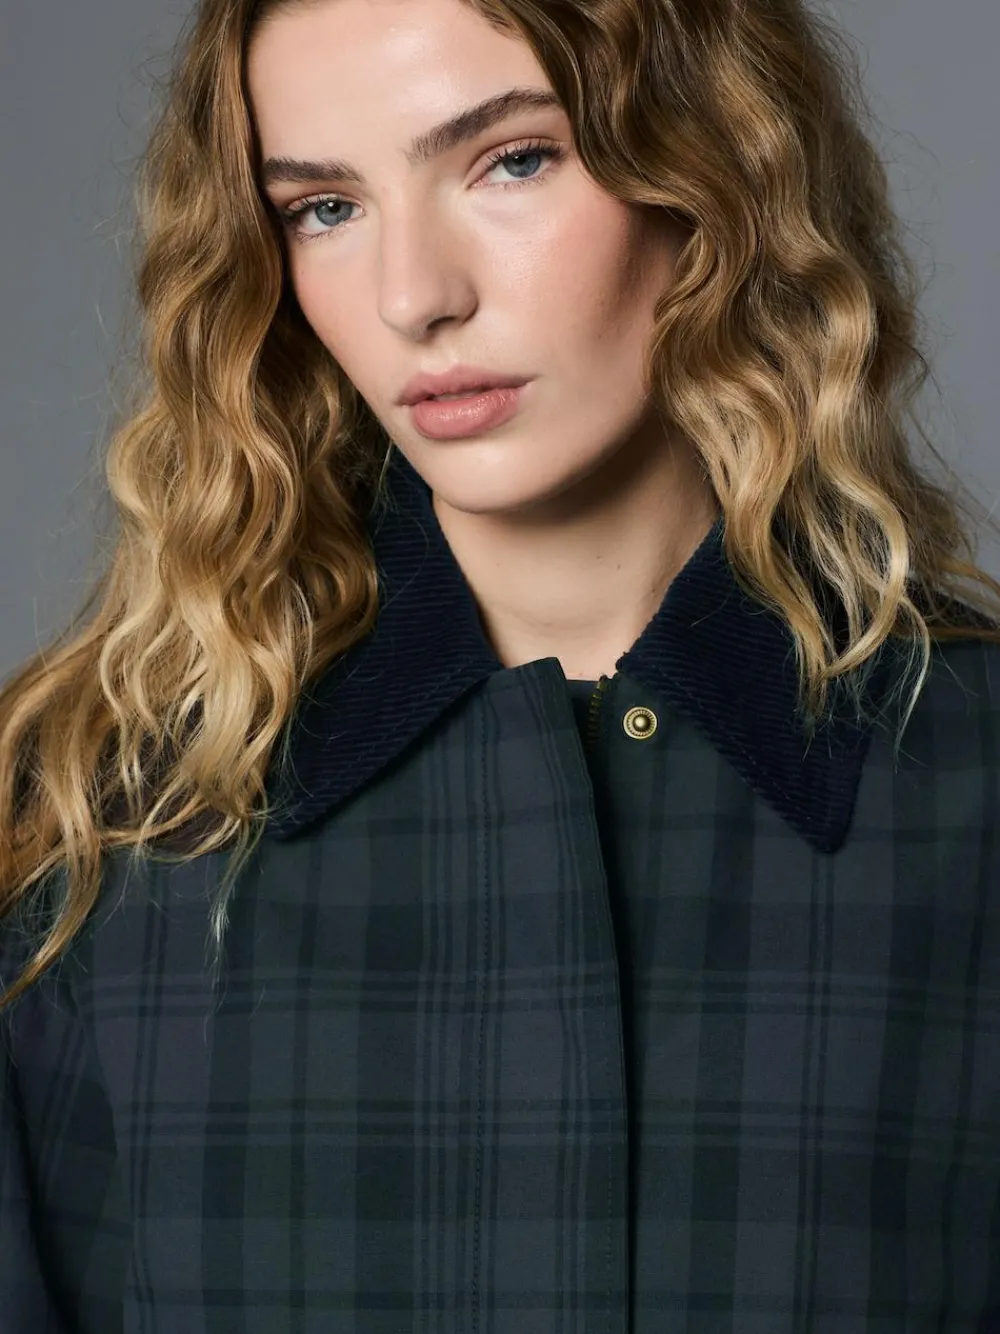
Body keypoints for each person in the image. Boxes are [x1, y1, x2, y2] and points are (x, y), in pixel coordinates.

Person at [1, 0, 998, 1327]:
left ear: (713, 170)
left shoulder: (972, 795)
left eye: (512, 160)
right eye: (325, 208)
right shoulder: (98, 830)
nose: (414, 296)